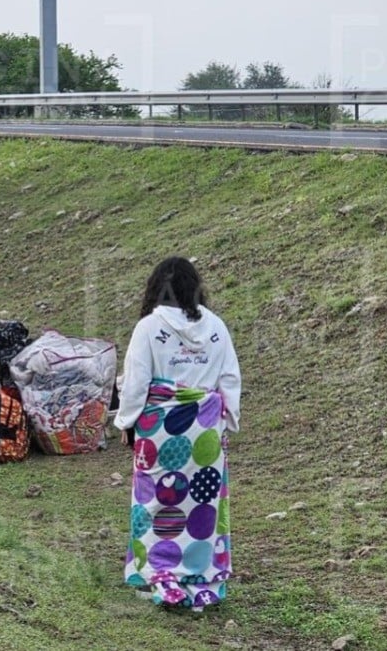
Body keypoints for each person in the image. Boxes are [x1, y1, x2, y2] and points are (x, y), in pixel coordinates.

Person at [115, 256, 242, 612]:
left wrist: (126, 421)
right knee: (201, 503)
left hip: (160, 428)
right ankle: (198, 578)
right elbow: (229, 378)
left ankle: (156, 573)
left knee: (155, 501)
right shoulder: (216, 327)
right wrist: (226, 419)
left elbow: (137, 382)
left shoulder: (149, 328)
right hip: (205, 431)